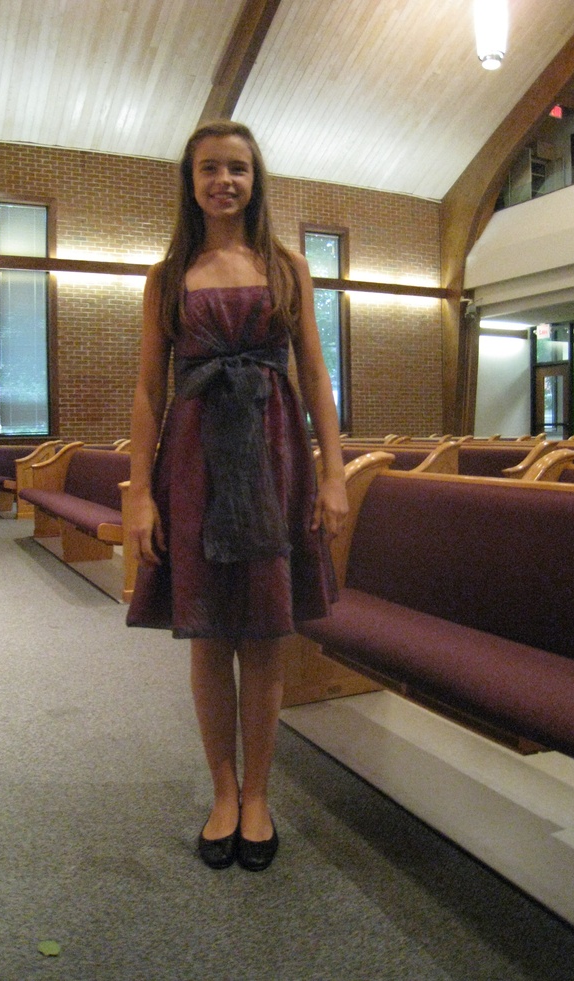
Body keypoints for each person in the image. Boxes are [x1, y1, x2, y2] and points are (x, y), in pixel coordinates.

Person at [126, 120, 348, 872]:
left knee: (265, 632)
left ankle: (259, 793)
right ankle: (222, 789)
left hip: (275, 456)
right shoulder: (167, 274)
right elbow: (147, 390)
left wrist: (336, 470)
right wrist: (140, 495)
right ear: (190, 183)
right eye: (210, 169)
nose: (224, 180)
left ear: (257, 180)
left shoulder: (287, 267)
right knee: (208, 632)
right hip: (192, 462)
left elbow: (316, 375)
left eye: (238, 169)